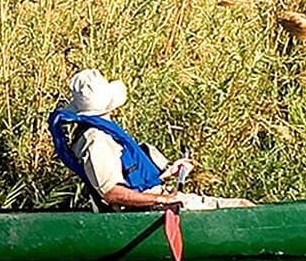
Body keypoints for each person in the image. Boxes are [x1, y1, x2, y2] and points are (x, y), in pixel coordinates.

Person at [48, 68, 252, 212]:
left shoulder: (105, 132)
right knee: (242, 206)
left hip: (157, 200)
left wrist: (170, 172)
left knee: (244, 204)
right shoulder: (96, 140)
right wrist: (162, 199)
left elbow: (132, 180)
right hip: (146, 209)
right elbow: (112, 193)